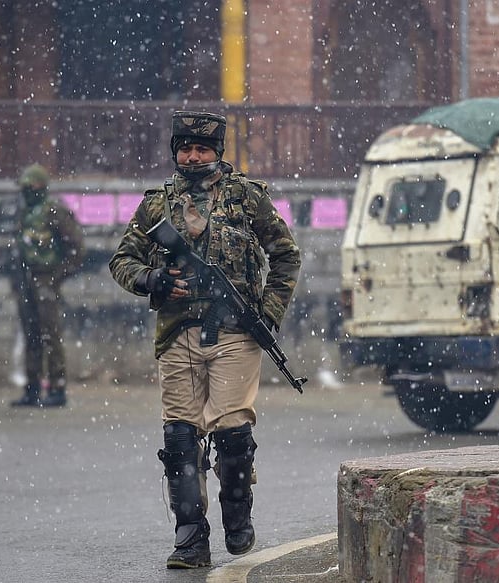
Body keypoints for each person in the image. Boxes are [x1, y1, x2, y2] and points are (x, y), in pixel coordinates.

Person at [109, 111, 301, 569]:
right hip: (178, 332)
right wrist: (153, 279)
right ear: (175, 151)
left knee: (233, 429)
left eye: (202, 148)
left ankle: (237, 517)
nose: (193, 156)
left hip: (235, 332)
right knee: (180, 436)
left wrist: (268, 314)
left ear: (218, 152)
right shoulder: (157, 205)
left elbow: (286, 257)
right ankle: (190, 538)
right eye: (185, 148)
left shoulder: (246, 198)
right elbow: (122, 259)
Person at [9, 163, 85, 408]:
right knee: (30, 334)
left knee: (50, 335)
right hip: (26, 280)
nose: (26, 192)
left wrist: (56, 276)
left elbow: (76, 248)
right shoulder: (25, 212)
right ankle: (32, 388)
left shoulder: (54, 210)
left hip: (45, 280)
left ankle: (57, 387)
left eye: (30, 187)